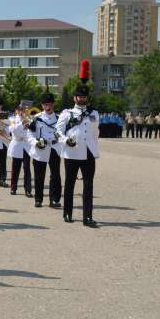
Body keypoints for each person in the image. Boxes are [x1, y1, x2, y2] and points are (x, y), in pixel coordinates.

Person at [56, 84, 100, 228]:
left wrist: (93, 145)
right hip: (72, 151)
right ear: (74, 97)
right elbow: (58, 132)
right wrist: (65, 140)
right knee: (70, 184)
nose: (82, 99)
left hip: (88, 152)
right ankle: (67, 213)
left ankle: (87, 216)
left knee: (88, 185)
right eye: (80, 96)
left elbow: (95, 133)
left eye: (84, 97)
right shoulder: (66, 114)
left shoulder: (94, 113)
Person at [26, 93, 62, 208]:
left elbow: (62, 133)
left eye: (50, 104)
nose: (48, 107)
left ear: (53, 105)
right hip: (40, 149)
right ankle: (38, 199)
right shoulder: (36, 118)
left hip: (54, 148)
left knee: (55, 175)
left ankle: (54, 200)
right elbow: (29, 134)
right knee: (39, 176)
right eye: (46, 104)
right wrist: (36, 142)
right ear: (42, 105)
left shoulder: (59, 118)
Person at [8, 101, 32, 197]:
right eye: (19, 110)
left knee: (27, 168)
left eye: (23, 110)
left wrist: (28, 121)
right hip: (17, 145)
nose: (21, 112)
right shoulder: (12, 119)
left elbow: (32, 130)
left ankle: (28, 189)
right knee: (15, 168)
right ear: (16, 111)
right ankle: (13, 188)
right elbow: (12, 130)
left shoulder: (28, 119)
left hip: (26, 145)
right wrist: (22, 123)